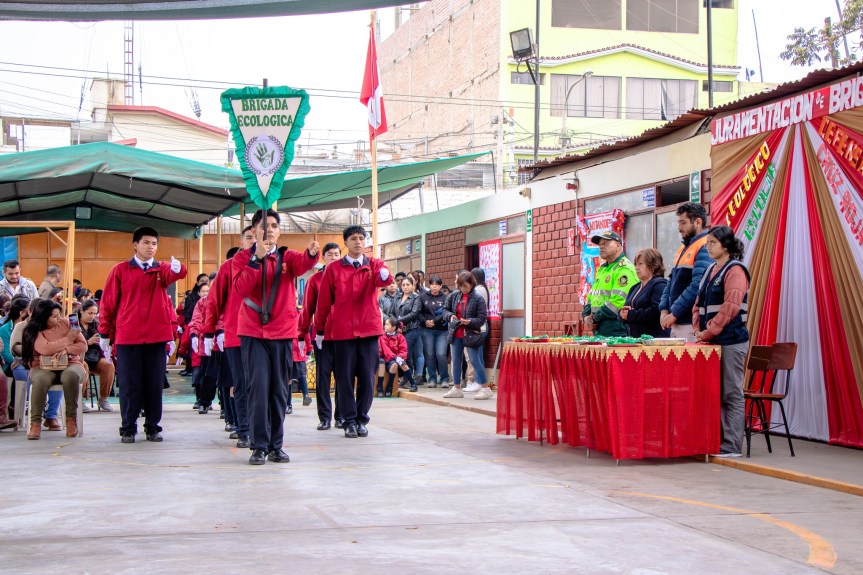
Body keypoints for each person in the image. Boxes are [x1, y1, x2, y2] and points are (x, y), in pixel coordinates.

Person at [233, 208, 319, 465]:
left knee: (279, 392)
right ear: (254, 232)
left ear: (279, 231)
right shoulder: (242, 259)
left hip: (282, 333)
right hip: (253, 332)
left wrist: (312, 254)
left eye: (273, 225)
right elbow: (240, 289)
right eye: (263, 226)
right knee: (258, 389)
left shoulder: (286, 257)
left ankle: (276, 445)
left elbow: (303, 263)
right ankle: (258, 445)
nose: (268, 230)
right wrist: (255, 260)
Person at [99, 226, 187, 444]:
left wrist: (179, 268)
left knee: (154, 383)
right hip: (128, 336)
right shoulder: (120, 270)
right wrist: (104, 333)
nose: (151, 247)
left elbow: (176, 273)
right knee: (129, 384)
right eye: (146, 243)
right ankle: (128, 427)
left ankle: (153, 427)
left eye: (154, 243)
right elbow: (108, 303)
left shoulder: (161, 270)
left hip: (156, 337)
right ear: (135, 245)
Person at [315, 225, 391, 439]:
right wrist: (320, 329)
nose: (358, 242)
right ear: (345, 243)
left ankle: (361, 419)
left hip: (368, 329)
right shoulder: (333, 269)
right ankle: (348, 420)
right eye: (353, 238)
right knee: (345, 378)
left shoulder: (374, 265)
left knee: (367, 378)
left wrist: (385, 275)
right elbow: (323, 302)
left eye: (361, 238)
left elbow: (384, 280)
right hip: (343, 331)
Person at [693, 226, 751, 458]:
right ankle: (715, 440)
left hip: (731, 340)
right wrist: (698, 329)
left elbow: (730, 308)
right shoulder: (709, 270)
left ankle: (732, 445)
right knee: (713, 393)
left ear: (725, 246)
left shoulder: (735, 270)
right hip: (711, 342)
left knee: (731, 393)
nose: (708, 247)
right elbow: (698, 303)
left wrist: (707, 332)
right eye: (707, 243)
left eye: (712, 243)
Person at [203, 227, 255, 447]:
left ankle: (263, 428)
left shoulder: (274, 263)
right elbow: (214, 301)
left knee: (262, 385)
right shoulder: (228, 268)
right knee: (241, 384)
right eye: (249, 237)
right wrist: (209, 331)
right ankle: (244, 429)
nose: (254, 241)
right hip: (236, 334)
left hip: (266, 336)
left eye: (257, 236)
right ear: (241, 241)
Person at [22, 300, 87, 440]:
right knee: (40, 380)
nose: (59, 319)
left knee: (70, 376)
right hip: (42, 366)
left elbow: (83, 345)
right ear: (43, 317)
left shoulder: (70, 322)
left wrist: (66, 350)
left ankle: (71, 419)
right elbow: (45, 349)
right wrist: (69, 338)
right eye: (54, 316)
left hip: (71, 363)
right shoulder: (32, 329)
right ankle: (35, 423)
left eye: (59, 315)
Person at [298, 242, 342, 431]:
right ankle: (324, 417)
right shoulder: (315, 280)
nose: (334, 257)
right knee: (323, 377)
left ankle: (341, 416)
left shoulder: (347, 277)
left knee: (343, 377)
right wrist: (301, 333)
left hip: (344, 335)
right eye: (330, 254)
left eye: (337, 254)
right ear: (323, 257)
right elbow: (307, 309)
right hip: (321, 336)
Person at [660, 202, 711, 341]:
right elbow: (670, 282)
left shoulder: (705, 246)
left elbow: (697, 286)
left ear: (698, 222)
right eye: (678, 223)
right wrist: (664, 310)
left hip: (690, 324)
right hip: (676, 322)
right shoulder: (683, 248)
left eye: (683, 223)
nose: (679, 228)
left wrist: (674, 313)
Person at [10, 297, 63, 430]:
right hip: (23, 364)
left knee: (58, 377)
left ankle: (51, 415)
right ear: (30, 312)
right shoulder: (21, 326)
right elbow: (15, 348)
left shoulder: (52, 327)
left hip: (48, 364)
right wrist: (35, 350)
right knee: (32, 377)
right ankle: (36, 416)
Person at [441, 271, 491, 400]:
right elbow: (444, 310)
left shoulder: (478, 298)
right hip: (456, 332)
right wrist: (450, 316)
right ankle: (456, 388)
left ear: (472, 284)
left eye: (466, 286)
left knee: (474, 360)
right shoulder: (454, 296)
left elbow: (482, 318)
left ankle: (485, 388)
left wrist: (470, 321)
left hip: (471, 333)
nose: (463, 289)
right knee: (456, 360)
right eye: (461, 286)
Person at [582, 231, 638, 337]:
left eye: (605, 244)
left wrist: (594, 318)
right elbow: (591, 296)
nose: (601, 247)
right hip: (600, 328)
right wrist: (586, 316)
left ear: (618, 245)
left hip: (616, 328)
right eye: (600, 245)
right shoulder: (603, 269)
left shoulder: (624, 268)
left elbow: (618, 302)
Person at [621, 249, 671, 338]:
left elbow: (656, 310)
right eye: (635, 264)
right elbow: (626, 311)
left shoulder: (660, 284)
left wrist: (631, 315)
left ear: (653, 265)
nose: (636, 267)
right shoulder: (634, 288)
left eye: (640, 264)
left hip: (654, 339)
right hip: (636, 338)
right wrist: (623, 314)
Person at [78, 299, 115, 412]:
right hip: (80, 357)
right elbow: (71, 342)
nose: (92, 316)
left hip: (95, 357)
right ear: (81, 311)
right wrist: (87, 342)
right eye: (90, 313)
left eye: (95, 313)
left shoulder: (97, 324)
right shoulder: (74, 324)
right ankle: (80, 400)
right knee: (83, 366)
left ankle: (103, 398)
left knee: (108, 365)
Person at [420, 275, 450, 389]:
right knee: (430, 354)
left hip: (442, 330)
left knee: (441, 354)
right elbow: (419, 312)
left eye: (437, 285)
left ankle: (444, 378)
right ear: (429, 285)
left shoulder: (446, 297)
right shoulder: (423, 297)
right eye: (432, 284)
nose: (434, 287)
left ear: (440, 286)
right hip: (426, 330)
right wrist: (425, 321)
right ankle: (432, 378)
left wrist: (434, 320)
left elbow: (446, 312)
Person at [396, 276, 424, 391]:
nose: (406, 287)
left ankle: (409, 378)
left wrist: (399, 321)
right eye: (403, 285)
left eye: (408, 285)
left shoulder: (416, 298)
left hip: (412, 328)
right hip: (399, 330)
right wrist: (394, 323)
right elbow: (393, 311)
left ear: (413, 285)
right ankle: (407, 377)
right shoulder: (398, 297)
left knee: (407, 354)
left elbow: (414, 313)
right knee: (403, 354)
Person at [377, 316, 409, 397]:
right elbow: (381, 350)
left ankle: (390, 387)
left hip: (393, 359)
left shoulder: (401, 337)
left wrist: (398, 357)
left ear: (394, 327)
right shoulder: (382, 336)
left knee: (396, 364)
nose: (384, 326)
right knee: (381, 362)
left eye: (387, 325)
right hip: (385, 358)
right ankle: (379, 386)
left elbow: (403, 351)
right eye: (384, 324)